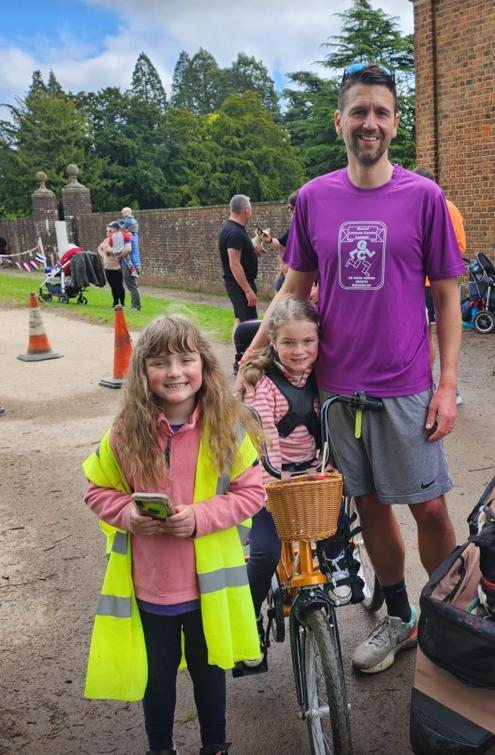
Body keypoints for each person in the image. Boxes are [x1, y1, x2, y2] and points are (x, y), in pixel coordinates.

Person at [237, 62, 465, 676]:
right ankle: (399, 616)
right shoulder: (314, 198)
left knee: (433, 509)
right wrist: (254, 357)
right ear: (340, 121)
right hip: (338, 389)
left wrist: (447, 386)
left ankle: (447, 614)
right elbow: (293, 289)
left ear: (395, 124)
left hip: (408, 387)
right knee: (367, 506)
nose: (370, 123)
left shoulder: (424, 198)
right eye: (358, 111)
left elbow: (447, 297)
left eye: (381, 112)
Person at [83, 315, 266, 755]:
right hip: (151, 588)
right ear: (143, 372)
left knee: (209, 673)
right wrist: (127, 513)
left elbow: (253, 492)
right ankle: (159, 747)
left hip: (208, 591)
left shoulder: (229, 429)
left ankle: (215, 746)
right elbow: (97, 489)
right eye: (161, 362)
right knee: (157, 679)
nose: (175, 372)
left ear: (203, 365)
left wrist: (201, 517)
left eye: (186, 359)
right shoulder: (125, 433)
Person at [235, 296, 351, 675]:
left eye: (308, 342)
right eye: (288, 343)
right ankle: (247, 623)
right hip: (271, 480)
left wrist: (327, 467)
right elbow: (265, 438)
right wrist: (276, 483)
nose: (299, 351)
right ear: (272, 342)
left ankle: (340, 564)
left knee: (337, 522)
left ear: (319, 341)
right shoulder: (263, 386)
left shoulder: (325, 376)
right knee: (265, 553)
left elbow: (335, 428)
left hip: (313, 476)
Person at [413, 166, 467, 406]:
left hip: (425, 283)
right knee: (437, 331)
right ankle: (450, 387)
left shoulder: (429, 206)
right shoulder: (452, 207)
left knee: (427, 335)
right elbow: (460, 245)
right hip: (444, 279)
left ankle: (433, 385)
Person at [218, 195, 258, 373]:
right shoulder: (234, 232)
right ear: (246, 210)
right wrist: (248, 290)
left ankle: (243, 358)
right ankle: (242, 360)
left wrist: (252, 250)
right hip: (240, 285)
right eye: (250, 210)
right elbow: (234, 264)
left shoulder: (232, 229)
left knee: (240, 320)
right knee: (247, 323)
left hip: (238, 283)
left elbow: (240, 255)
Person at [97, 224, 125, 308]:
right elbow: (99, 248)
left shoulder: (117, 241)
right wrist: (103, 256)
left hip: (116, 267)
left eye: (110, 231)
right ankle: (115, 302)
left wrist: (110, 250)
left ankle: (122, 303)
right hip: (107, 267)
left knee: (119, 285)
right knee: (112, 285)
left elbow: (118, 252)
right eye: (107, 231)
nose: (108, 233)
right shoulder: (106, 240)